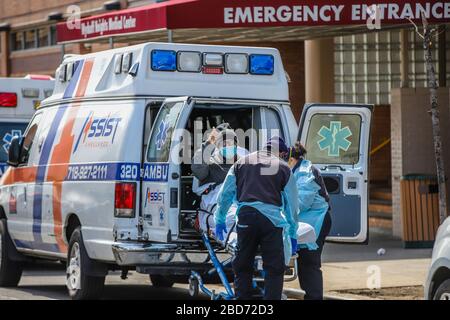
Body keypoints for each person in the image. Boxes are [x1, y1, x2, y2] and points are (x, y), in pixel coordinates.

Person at [214, 136, 299, 300]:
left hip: (246, 218)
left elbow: (225, 194)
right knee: (274, 268)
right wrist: (293, 233)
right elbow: (292, 205)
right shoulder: (283, 168)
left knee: (243, 265)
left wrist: (220, 219)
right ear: (281, 153)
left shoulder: (241, 163)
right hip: (272, 222)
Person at [287, 141, 332, 300]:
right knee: (305, 262)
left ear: (291, 159)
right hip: (307, 222)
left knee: (310, 263)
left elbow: (301, 203)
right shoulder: (298, 170)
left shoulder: (306, 172)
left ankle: (314, 297)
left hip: (316, 221)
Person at [191, 123, 247, 212]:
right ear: (217, 146)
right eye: (224, 144)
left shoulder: (244, 164)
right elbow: (197, 165)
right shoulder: (210, 165)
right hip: (215, 212)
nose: (227, 146)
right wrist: (209, 142)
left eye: (231, 143)